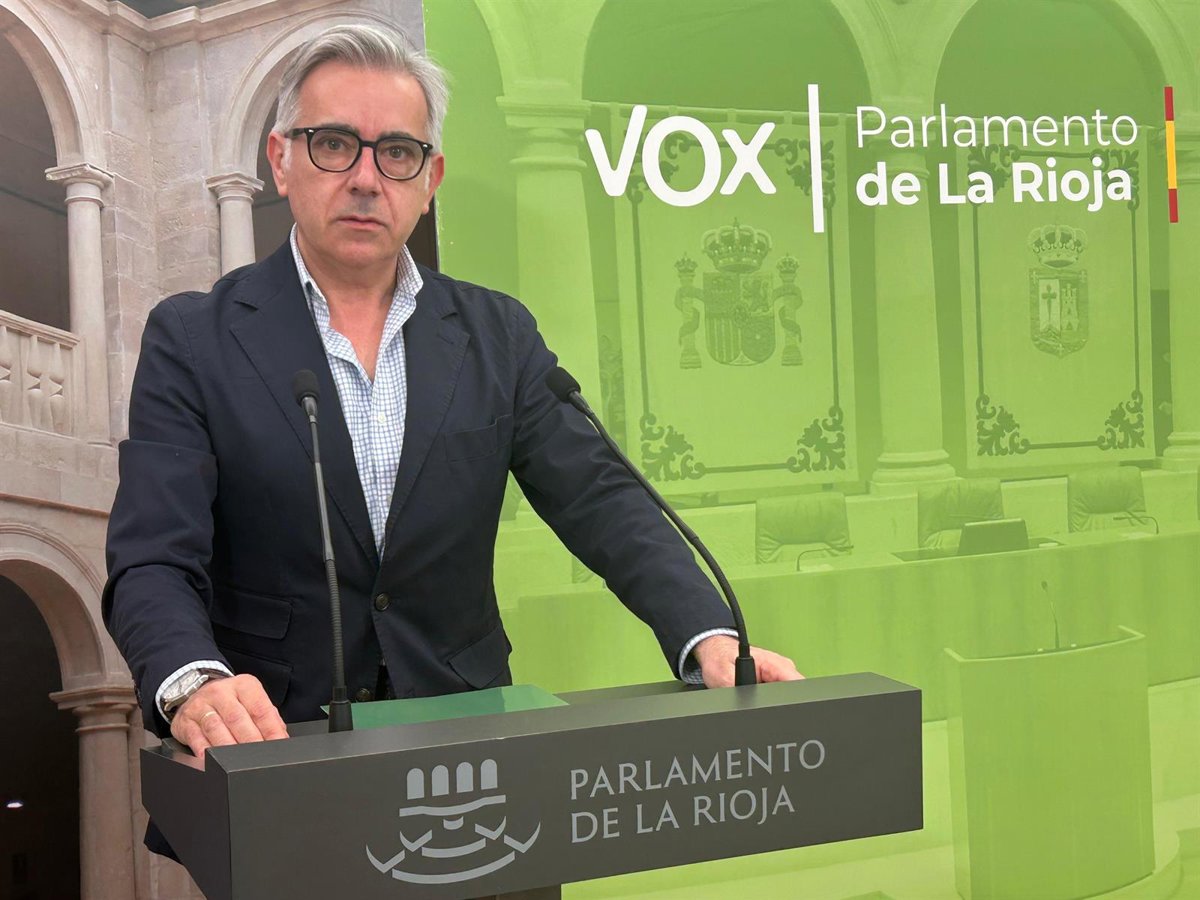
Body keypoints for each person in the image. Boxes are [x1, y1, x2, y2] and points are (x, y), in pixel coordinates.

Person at [103, 23, 800, 770]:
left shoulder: (497, 334)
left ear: (430, 180)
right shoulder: (193, 338)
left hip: (469, 750)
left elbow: (600, 499)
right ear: (281, 159)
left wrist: (707, 634)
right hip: (268, 748)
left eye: (397, 152)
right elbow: (153, 558)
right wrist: (193, 683)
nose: (366, 178)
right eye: (333, 144)